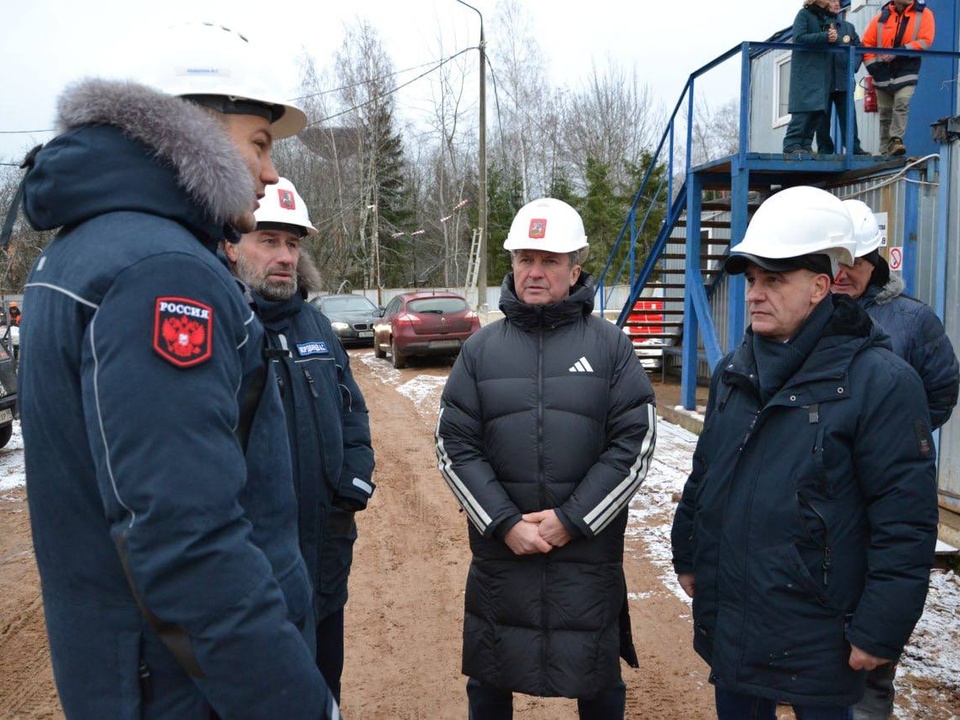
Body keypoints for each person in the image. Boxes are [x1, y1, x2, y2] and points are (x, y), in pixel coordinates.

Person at [17, 23, 340, 719]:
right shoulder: (164, 273)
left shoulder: (89, 246)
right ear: (191, 130)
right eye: (259, 143)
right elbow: (185, 539)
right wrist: (289, 702)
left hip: (135, 671)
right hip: (184, 689)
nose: (271, 173)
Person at [671, 186, 939, 719]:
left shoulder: (880, 382)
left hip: (822, 631)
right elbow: (708, 474)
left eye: (773, 279)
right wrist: (689, 549)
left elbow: (904, 522)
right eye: (751, 280)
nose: (754, 294)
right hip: (739, 616)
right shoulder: (734, 371)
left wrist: (881, 628)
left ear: (820, 286)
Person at [435, 197, 657, 719]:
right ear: (511, 264)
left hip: (586, 555)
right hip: (502, 555)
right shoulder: (480, 349)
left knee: (598, 680)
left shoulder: (610, 347)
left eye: (550, 260)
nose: (534, 272)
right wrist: (504, 522)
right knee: (490, 679)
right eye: (524, 259)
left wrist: (572, 520)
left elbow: (635, 443)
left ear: (574, 270)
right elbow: (453, 445)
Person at [224, 177, 376, 704]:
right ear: (231, 242)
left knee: (322, 685)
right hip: (254, 571)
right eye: (268, 240)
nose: (285, 256)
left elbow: (352, 411)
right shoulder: (227, 329)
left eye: (293, 243)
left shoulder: (315, 326)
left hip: (324, 554)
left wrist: (352, 487)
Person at [835, 199, 958, 430]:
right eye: (833, 264)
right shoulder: (801, 314)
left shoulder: (914, 319)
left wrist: (897, 438)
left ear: (873, 264)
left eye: (852, 264)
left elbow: (941, 391)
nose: (839, 276)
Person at [862, 0, 936, 156]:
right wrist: (873, 67)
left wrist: (899, 51)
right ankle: (884, 150)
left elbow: (925, 40)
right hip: (882, 73)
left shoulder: (924, 14)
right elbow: (867, 44)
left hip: (907, 68)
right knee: (885, 112)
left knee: (902, 103)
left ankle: (896, 140)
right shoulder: (881, 18)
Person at [784, 0, 840, 159]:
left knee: (817, 112)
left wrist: (834, 38)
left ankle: (806, 145)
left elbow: (831, 40)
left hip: (822, 73)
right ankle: (792, 144)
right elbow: (799, 37)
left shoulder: (828, 18)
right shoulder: (804, 14)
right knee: (803, 109)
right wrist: (825, 36)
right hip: (806, 71)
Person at [815, 0, 866, 156]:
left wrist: (853, 66)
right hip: (823, 80)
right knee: (822, 118)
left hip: (843, 80)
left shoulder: (847, 28)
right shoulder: (817, 25)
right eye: (832, 1)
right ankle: (824, 149)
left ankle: (853, 148)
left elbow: (859, 48)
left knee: (849, 116)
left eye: (837, 1)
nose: (836, 4)